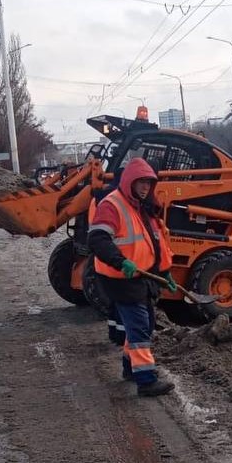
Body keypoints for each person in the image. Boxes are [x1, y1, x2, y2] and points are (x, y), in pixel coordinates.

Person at [88, 157, 177, 397]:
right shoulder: (112, 205)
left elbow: (156, 243)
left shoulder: (143, 207)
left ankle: (131, 368)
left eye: (149, 183)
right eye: (141, 183)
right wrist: (120, 261)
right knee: (139, 327)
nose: (146, 187)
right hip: (120, 277)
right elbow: (97, 239)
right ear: (129, 182)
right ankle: (146, 380)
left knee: (144, 324)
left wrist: (165, 272)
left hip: (140, 276)